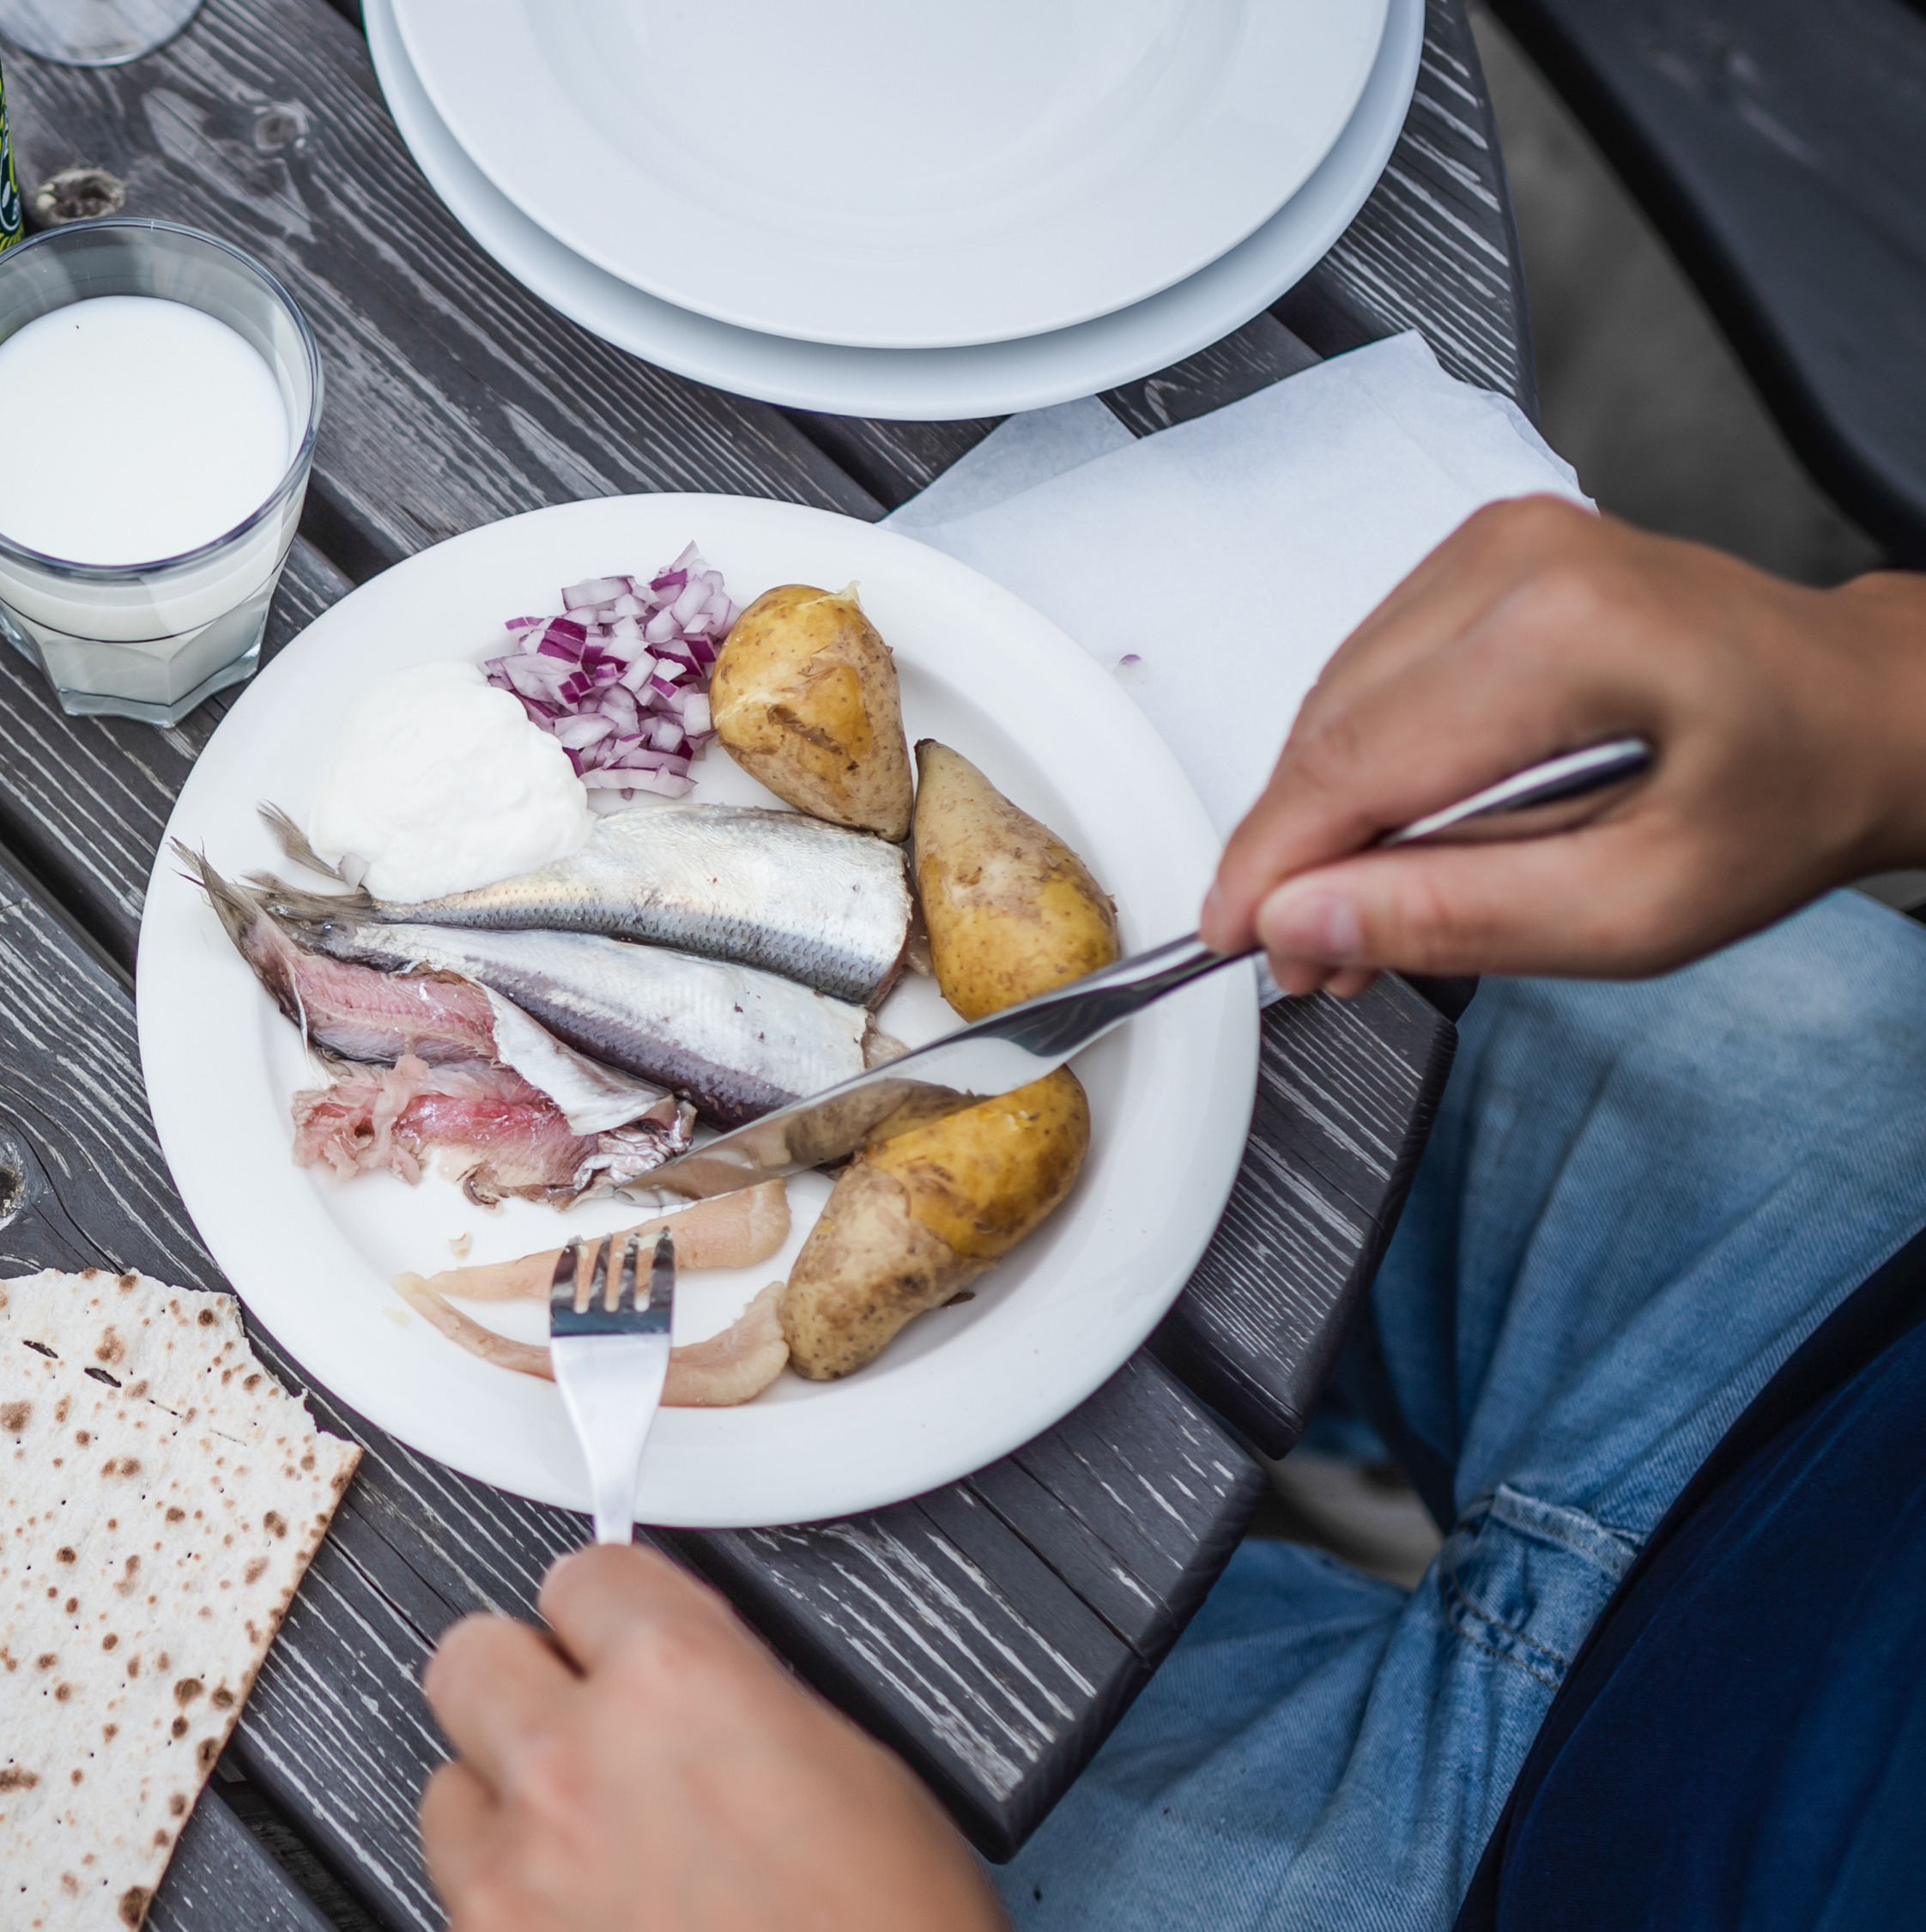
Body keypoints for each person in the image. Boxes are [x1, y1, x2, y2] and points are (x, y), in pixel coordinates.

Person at [415, 496, 1926, 1932]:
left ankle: (1284, 1428)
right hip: (1864, 1313)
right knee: (1375, 987)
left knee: (827, 1630)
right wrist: (1877, 689)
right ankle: (1307, 1425)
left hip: (1539, 1878)